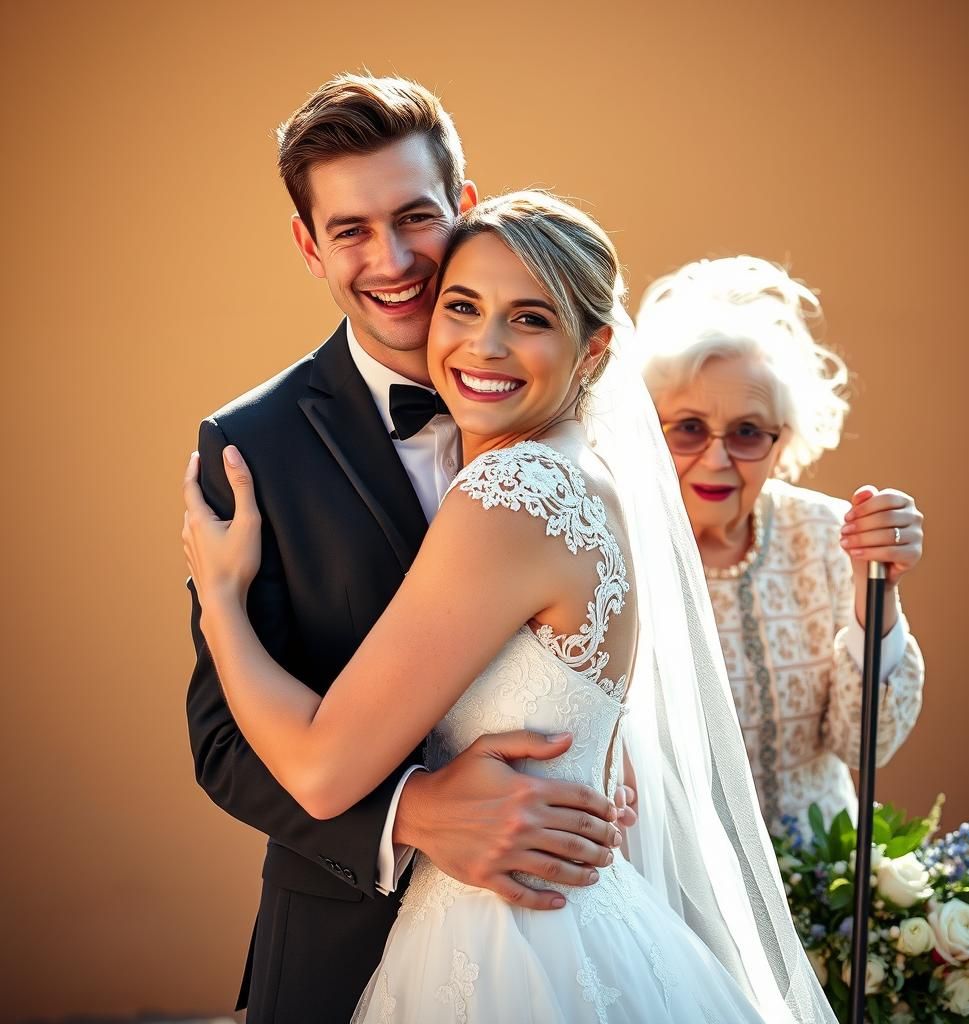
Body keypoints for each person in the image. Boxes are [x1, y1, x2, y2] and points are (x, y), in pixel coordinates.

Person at [183, 191, 838, 1022]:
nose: (483, 345)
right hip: (577, 924)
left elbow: (319, 770)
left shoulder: (511, 491)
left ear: (594, 350)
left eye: (530, 319)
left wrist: (221, 600)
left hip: (501, 948)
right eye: (462, 306)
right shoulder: (585, 469)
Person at [185, 74, 628, 1023]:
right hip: (337, 950)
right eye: (350, 230)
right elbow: (220, 741)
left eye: (415, 217)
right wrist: (414, 811)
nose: (391, 260)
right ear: (310, 247)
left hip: (539, 937)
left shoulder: (557, 436)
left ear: (462, 207)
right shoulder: (248, 447)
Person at [638, 256, 925, 834]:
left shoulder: (829, 535)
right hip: (686, 903)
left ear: (782, 440)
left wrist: (880, 593)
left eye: (747, 432)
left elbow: (867, 744)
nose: (717, 460)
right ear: (647, 428)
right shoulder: (615, 546)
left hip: (826, 878)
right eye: (689, 427)